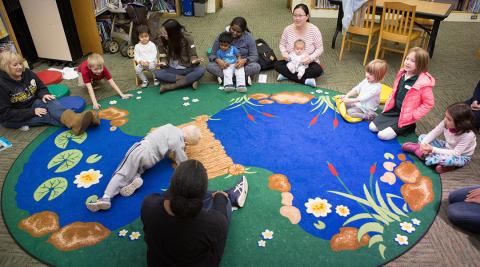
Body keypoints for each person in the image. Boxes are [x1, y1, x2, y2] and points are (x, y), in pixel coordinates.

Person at [141, 159, 248, 266]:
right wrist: (220, 198)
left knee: (182, 193)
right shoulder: (215, 222)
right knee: (224, 204)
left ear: (172, 184)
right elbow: (216, 254)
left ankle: (216, 195)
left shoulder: (148, 204)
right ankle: (228, 196)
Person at [86, 124, 201, 212]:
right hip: (152, 160)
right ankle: (134, 179)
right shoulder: (178, 144)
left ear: (184, 128)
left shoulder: (169, 126)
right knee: (137, 169)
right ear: (186, 142)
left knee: (122, 171)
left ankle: (106, 197)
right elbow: (183, 161)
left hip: (142, 150)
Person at [0, 51, 97, 135]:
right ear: (6, 67)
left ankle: (77, 121)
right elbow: (5, 113)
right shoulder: (2, 84)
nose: (20, 67)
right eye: (15, 65)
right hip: (14, 116)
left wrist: (44, 94)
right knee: (47, 116)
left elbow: (41, 87)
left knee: (51, 101)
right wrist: (31, 112)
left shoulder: (27, 73)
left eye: (21, 63)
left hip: (33, 102)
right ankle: (84, 121)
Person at [369, 47, 435, 140]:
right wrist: (389, 103)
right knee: (372, 127)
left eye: (413, 61)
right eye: (407, 59)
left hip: (406, 116)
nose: (407, 62)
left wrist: (414, 115)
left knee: (382, 136)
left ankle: (409, 126)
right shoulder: (402, 73)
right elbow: (394, 91)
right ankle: (393, 125)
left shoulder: (423, 83)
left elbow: (429, 103)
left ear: (421, 64)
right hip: (393, 111)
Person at [402, 103, 477, 174]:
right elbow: (434, 133)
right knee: (423, 137)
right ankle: (425, 154)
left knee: (446, 160)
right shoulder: (445, 122)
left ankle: (427, 156)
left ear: (460, 124)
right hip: (446, 146)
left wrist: (432, 149)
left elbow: (456, 153)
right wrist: (423, 145)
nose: (445, 120)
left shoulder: (468, 135)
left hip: (461, 156)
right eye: (445, 116)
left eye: (449, 119)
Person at [275, 4, 324, 87]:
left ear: (307, 16)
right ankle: (306, 80)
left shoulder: (314, 30)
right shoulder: (288, 29)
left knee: (318, 70)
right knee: (276, 64)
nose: (297, 18)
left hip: (307, 63)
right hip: (292, 61)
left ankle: (286, 75)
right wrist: (284, 53)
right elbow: (282, 45)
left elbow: (320, 48)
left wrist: (310, 58)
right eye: (295, 15)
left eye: (300, 16)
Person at [154, 19, 205, 94]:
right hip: (172, 69)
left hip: (187, 67)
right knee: (157, 73)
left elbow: (193, 54)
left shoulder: (187, 38)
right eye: (162, 33)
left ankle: (170, 87)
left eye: (165, 33)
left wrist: (194, 60)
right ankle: (190, 81)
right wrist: (163, 62)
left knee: (201, 70)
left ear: (173, 33)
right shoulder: (162, 39)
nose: (163, 35)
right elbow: (163, 55)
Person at [207, 17, 260, 86]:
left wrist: (245, 60)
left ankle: (227, 79)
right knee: (209, 66)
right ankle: (241, 78)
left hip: (240, 66)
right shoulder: (222, 36)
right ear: (230, 26)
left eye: (238, 32)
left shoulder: (248, 37)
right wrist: (218, 61)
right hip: (225, 66)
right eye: (233, 29)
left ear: (243, 31)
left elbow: (255, 56)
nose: (234, 33)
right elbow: (212, 55)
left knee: (256, 66)